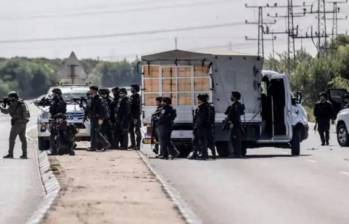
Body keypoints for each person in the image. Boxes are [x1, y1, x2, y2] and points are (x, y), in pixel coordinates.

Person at [1, 91, 30, 159]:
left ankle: (10, 154)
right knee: (23, 139)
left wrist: (1, 107)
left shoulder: (14, 104)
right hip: (23, 123)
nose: (9, 99)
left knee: (12, 139)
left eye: (10, 97)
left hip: (17, 124)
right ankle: (24, 154)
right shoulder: (21, 102)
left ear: (13, 97)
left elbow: (6, 111)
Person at [89, 86, 111, 151]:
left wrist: (101, 118)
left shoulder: (99, 99)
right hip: (93, 117)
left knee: (95, 132)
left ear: (94, 91)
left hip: (97, 118)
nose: (90, 91)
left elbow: (102, 109)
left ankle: (104, 144)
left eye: (91, 90)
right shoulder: (94, 98)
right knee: (95, 133)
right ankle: (94, 146)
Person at [189, 94, 210, 160]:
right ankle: (195, 154)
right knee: (195, 141)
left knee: (202, 142)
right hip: (198, 127)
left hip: (201, 127)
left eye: (198, 99)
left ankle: (204, 155)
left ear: (202, 100)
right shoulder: (200, 107)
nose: (197, 100)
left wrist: (197, 126)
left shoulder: (204, 107)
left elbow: (202, 119)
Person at [225, 91, 245, 157]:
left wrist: (231, 122)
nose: (231, 97)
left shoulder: (236, 105)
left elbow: (236, 116)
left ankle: (237, 154)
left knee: (236, 139)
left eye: (232, 96)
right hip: (235, 125)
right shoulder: (234, 105)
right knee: (233, 139)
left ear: (235, 97)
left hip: (235, 125)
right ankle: (236, 153)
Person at [48, 88, 67, 155]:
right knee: (55, 135)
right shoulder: (55, 100)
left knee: (54, 135)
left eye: (54, 93)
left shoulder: (59, 101)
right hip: (56, 119)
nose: (53, 95)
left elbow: (60, 110)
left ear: (56, 94)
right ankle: (54, 150)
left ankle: (55, 150)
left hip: (58, 119)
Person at [129, 84, 142, 150]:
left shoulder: (137, 97)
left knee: (137, 131)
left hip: (136, 117)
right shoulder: (131, 96)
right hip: (131, 117)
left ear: (135, 89)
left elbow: (137, 109)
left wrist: (136, 118)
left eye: (132, 88)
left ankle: (138, 145)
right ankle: (133, 144)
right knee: (131, 131)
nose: (131, 89)